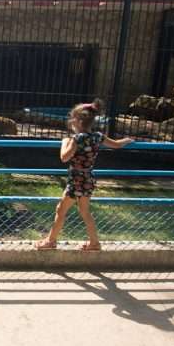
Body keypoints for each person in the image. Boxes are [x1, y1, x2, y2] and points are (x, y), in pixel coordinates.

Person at [35, 99, 133, 252]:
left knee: (61, 210)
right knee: (84, 211)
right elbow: (117, 144)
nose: (70, 122)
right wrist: (127, 140)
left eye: (72, 120)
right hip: (88, 179)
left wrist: (64, 142)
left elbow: (64, 157)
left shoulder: (77, 139)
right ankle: (94, 243)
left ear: (78, 121)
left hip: (76, 180)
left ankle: (51, 241)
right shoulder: (98, 137)